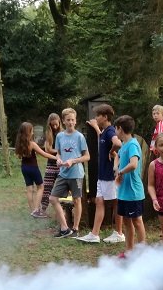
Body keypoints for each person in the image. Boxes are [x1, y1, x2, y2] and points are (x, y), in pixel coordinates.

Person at [78, 104, 124, 243]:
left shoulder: (110, 131)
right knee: (99, 201)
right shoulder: (104, 132)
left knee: (116, 202)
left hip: (109, 175)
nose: (96, 117)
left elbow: (118, 143)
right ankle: (95, 234)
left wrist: (111, 151)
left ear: (105, 117)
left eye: (98, 115)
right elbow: (102, 138)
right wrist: (96, 127)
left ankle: (119, 233)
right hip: (102, 175)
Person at [49, 108, 90, 238]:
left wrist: (73, 161)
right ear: (63, 121)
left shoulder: (80, 137)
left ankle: (76, 229)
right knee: (52, 198)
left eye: (73, 120)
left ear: (75, 121)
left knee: (77, 200)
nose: (71, 122)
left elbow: (87, 156)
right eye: (68, 120)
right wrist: (58, 159)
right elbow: (58, 153)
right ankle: (64, 228)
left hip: (76, 174)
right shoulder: (60, 136)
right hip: (63, 173)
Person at [113, 115, 146, 252]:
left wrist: (120, 172)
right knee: (127, 222)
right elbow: (117, 155)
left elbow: (133, 164)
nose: (115, 131)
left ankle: (142, 252)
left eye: (115, 128)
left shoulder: (132, 144)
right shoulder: (124, 145)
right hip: (123, 192)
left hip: (133, 192)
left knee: (137, 221)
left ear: (120, 129)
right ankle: (129, 251)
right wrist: (116, 168)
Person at [14, 121, 57, 218]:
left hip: (24, 168)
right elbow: (44, 154)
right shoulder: (32, 144)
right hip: (33, 168)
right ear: (28, 132)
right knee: (41, 187)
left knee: (29, 189)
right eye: (32, 131)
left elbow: (18, 155)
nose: (33, 133)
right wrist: (56, 158)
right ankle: (36, 210)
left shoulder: (19, 144)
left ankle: (32, 210)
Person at [40, 113, 61, 216]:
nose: (55, 127)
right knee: (47, 187)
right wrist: (59, 151)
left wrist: (55, 151)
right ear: (50, 124)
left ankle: (63, 210)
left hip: (62, 165)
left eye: (56, 124)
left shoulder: (63, 133)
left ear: (59, 122)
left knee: (64, 187)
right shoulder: (48, 133)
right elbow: (47, 149)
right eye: (53, 125)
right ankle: (43, 209)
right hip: (51, 164)